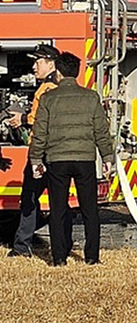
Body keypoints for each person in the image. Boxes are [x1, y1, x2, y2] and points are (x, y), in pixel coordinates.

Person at [28, 51, 114, 266]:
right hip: (84, 159)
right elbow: (101, 131)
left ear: (57, 72)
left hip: (57, 160)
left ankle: (58, 258)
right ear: (76, 72)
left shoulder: (48, 98)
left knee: (58, 209)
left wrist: (36, 160)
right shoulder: (91, 97)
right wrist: (107, 157)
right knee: (89, 210)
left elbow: (40, 133)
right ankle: (92, 257)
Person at [8, 43, 70, 258]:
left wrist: (21, 119)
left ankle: (21, 247)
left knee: (30, 199)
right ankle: (65, 245)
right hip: (58, 151)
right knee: (59, 200)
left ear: (50, 63)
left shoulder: (48, 88)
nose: (34, 66)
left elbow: (41, 116)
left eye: (38, 62)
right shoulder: (60, 84)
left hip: (42, 152)